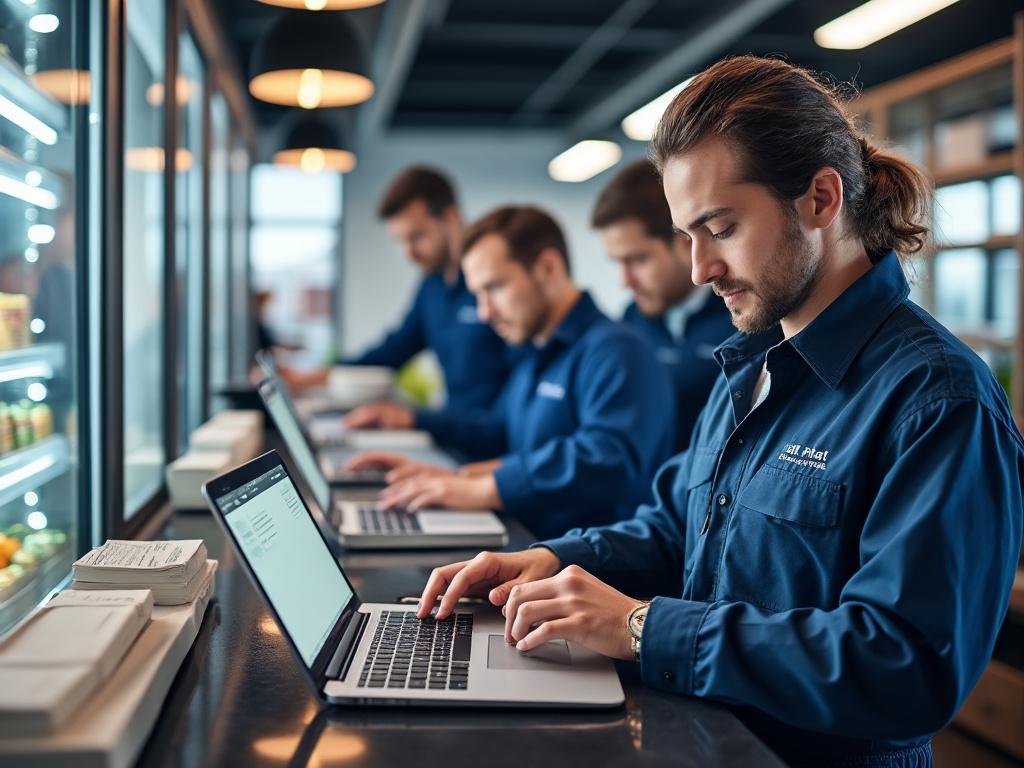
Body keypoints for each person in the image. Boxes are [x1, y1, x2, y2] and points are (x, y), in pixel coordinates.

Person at [413, 56, 1024, 768]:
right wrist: (553, 560)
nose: (700, 268)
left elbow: (905, 668)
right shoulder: (749, 365)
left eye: (722, 228)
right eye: (687, 237)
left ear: (821, 200)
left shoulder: (938, 400)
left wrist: (643, 628)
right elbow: (678, 526)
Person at [346, 206, 676, 539]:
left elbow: (605, 459)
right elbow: (495, 430)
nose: (484, 312)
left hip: (591, 572)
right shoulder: (534, 352)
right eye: (477, 294)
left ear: (548, 268)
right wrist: (444, 462)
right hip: (527, 545)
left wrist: (485, 488)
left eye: (495, 288)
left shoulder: (616, 349)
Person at [280, 166, 514, 411]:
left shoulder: (495, 286)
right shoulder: (432, 286)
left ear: (451, 217)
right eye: (401, 241)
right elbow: (391, 352)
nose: (408, 253)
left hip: (496, 440)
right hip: (456, 434)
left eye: (417, 237)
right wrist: (307, 379)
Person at [592, 159, 734, 451]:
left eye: (637, 260)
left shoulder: (743, 318)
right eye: (618, 263)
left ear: (684, 243)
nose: (625, 281)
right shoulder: (632, 321)